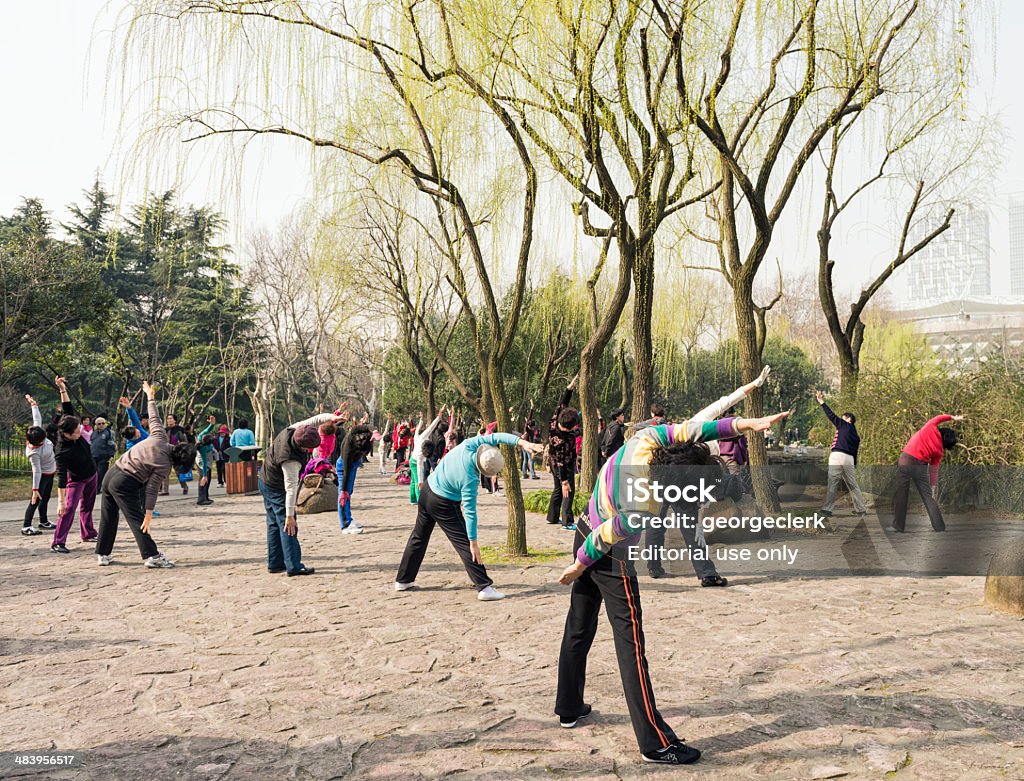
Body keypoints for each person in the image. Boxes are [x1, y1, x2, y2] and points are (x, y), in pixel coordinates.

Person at [555, 405, 791, 765]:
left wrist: (745, 424)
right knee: (631, 642)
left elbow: (698, 429)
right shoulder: (645, 505)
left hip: (587, 523)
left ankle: (569, 707)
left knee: (579, 626)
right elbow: (607, 535)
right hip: (603, 551)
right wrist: (578, 565)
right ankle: (655, 742)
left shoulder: (647, 437)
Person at [643, 369, 772, 582]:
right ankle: (700, 573)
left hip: (680, 477)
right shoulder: (700, 422)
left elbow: (728, 402)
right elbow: (725, 401)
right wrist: (754, 385)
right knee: (669, 523)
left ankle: (663, 568)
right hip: (674, 475)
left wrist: (756, 385)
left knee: (663, 522)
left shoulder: (708, 426)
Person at [396, 430, 543, 600]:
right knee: (464, 543)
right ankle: (484, 587)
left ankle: (403, 580)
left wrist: (522, 443)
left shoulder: (469, 444)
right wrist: (473, 542)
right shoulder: (471, 478)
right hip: (443, 503)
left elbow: (497, 436)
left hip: (427, 491)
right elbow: (470, 512)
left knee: (418, 537)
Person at [95, 381, 191, 568]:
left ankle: (103, 553)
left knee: (109, 516)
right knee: (137, 519)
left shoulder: (159, 436)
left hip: (112, 473)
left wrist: (150, 396)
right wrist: (148, 513)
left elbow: (154, 417)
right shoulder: (164, 465)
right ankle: (152, 556)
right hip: (125, 481)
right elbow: (152, 490)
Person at [260, 410, 344, 575]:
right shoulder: (290, 460)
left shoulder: (294, 430)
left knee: (273, 523)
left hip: (264, 479)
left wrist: (331, 418)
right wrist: (290, 515)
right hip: (276, 486)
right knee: (288, 525)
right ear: (304, 447)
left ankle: (275, 563)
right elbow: (290, 489)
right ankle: (294, 566)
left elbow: (314, 420)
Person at [890, 413, 964, 533]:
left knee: (901, 494)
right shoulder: (939, 451)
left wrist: (953, 417)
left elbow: (938, 418)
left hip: (906, 460)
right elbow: (934, 469)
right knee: (928, 498)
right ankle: (939, 527)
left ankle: (898, 526)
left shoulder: (930, 427)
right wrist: (933, 486)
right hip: (921, 467)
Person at [51, 376, 99, 553]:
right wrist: (61, 502)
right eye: (77, 432)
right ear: (67, 434)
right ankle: (58, 542)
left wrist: (62, 388)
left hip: (91, 473)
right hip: (76, 479)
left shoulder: (69, 423)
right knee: (69, 509)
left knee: (88, 505)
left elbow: (67, 407)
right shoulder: (62, 451)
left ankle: (88, 533)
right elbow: (62, 478)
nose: (80, 433)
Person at [815, 391, 868, 517]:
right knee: (853, 484)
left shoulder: (843, 424)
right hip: (849, 459)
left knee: (833, 482)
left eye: (843, 417)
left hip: (837, 456)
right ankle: (861, 510)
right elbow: (855, 451)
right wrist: (854, 464)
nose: (840, 419)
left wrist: (822, 402)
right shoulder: (856, 435)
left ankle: (827, 509)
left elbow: (831, 415)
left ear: (848, 419)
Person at [547, 376, 579, 529]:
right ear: (570, 427)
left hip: (553, 462)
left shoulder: (556, 420)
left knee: (557, 489)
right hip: (561, 466)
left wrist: (570, 388)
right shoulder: (561, 441)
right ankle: (568, 521)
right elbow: (561, 463)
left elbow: (562, 403)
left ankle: (552, 517)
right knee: (568, 490)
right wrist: (565, 481)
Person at [23, 395, 57, 536]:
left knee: (46, 498)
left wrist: (33, 404)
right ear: (36, 442)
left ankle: (43, 521)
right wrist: (35, 489)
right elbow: (36, 471)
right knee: (35, 500)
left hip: (50, 473)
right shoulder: (34, 453)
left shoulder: (36, 432)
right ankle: (26, 526)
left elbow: (37, 418)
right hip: (42, 476)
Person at [337, 424, 374, 535]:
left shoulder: (356, 433)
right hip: (344, 467)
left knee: (350, 492)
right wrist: (343, 490)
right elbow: (346, 473)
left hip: (353, 465)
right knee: (344, 495)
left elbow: (357, 427)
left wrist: (372, 429)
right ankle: (345, 524)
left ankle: (349, 518)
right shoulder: (347, 450)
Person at [411, 408, 446, 504]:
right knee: (417, 481)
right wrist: (421, 481)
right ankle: (420, 501)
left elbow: (431, 427)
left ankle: (412, 499)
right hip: (414, 462)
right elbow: (419, 468)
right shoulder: (420, 455)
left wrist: (439, 415)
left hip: (412, 460)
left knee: (413, 481)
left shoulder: (422, 436)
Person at [195, 416, 216, 506]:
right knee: (203, 479)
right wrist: (204, 475)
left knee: (209, 479)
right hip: (201, 462)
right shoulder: (203, 449)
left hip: (207, 461)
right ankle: (201, 499)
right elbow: (203, 463)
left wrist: (212, 424)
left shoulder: (201, 436)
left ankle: (206, 497)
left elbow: (207, 429)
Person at [90, 416, 116, 488]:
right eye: (99, 424)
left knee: (100, 473)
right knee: (93, 473)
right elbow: (91, 443)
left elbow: (112, 444)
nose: (101, 425)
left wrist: (111, 455)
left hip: (104, 456)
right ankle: (92, 488)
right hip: (94, 455)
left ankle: (97, 488)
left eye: (103, 423)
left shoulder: (109, 433)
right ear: (96, 425)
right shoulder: (93, 433)